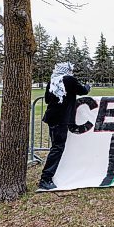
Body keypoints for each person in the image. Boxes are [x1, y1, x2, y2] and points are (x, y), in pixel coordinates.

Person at [38, 62, 91, 190]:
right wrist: (88, 86)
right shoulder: (69, 80)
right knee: (57, 148)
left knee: (56, 146)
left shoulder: (53, 81)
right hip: (61, 118)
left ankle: (48, 176)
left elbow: (46, 99)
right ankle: (46, 178)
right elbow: (83, 91)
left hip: (52, 117)